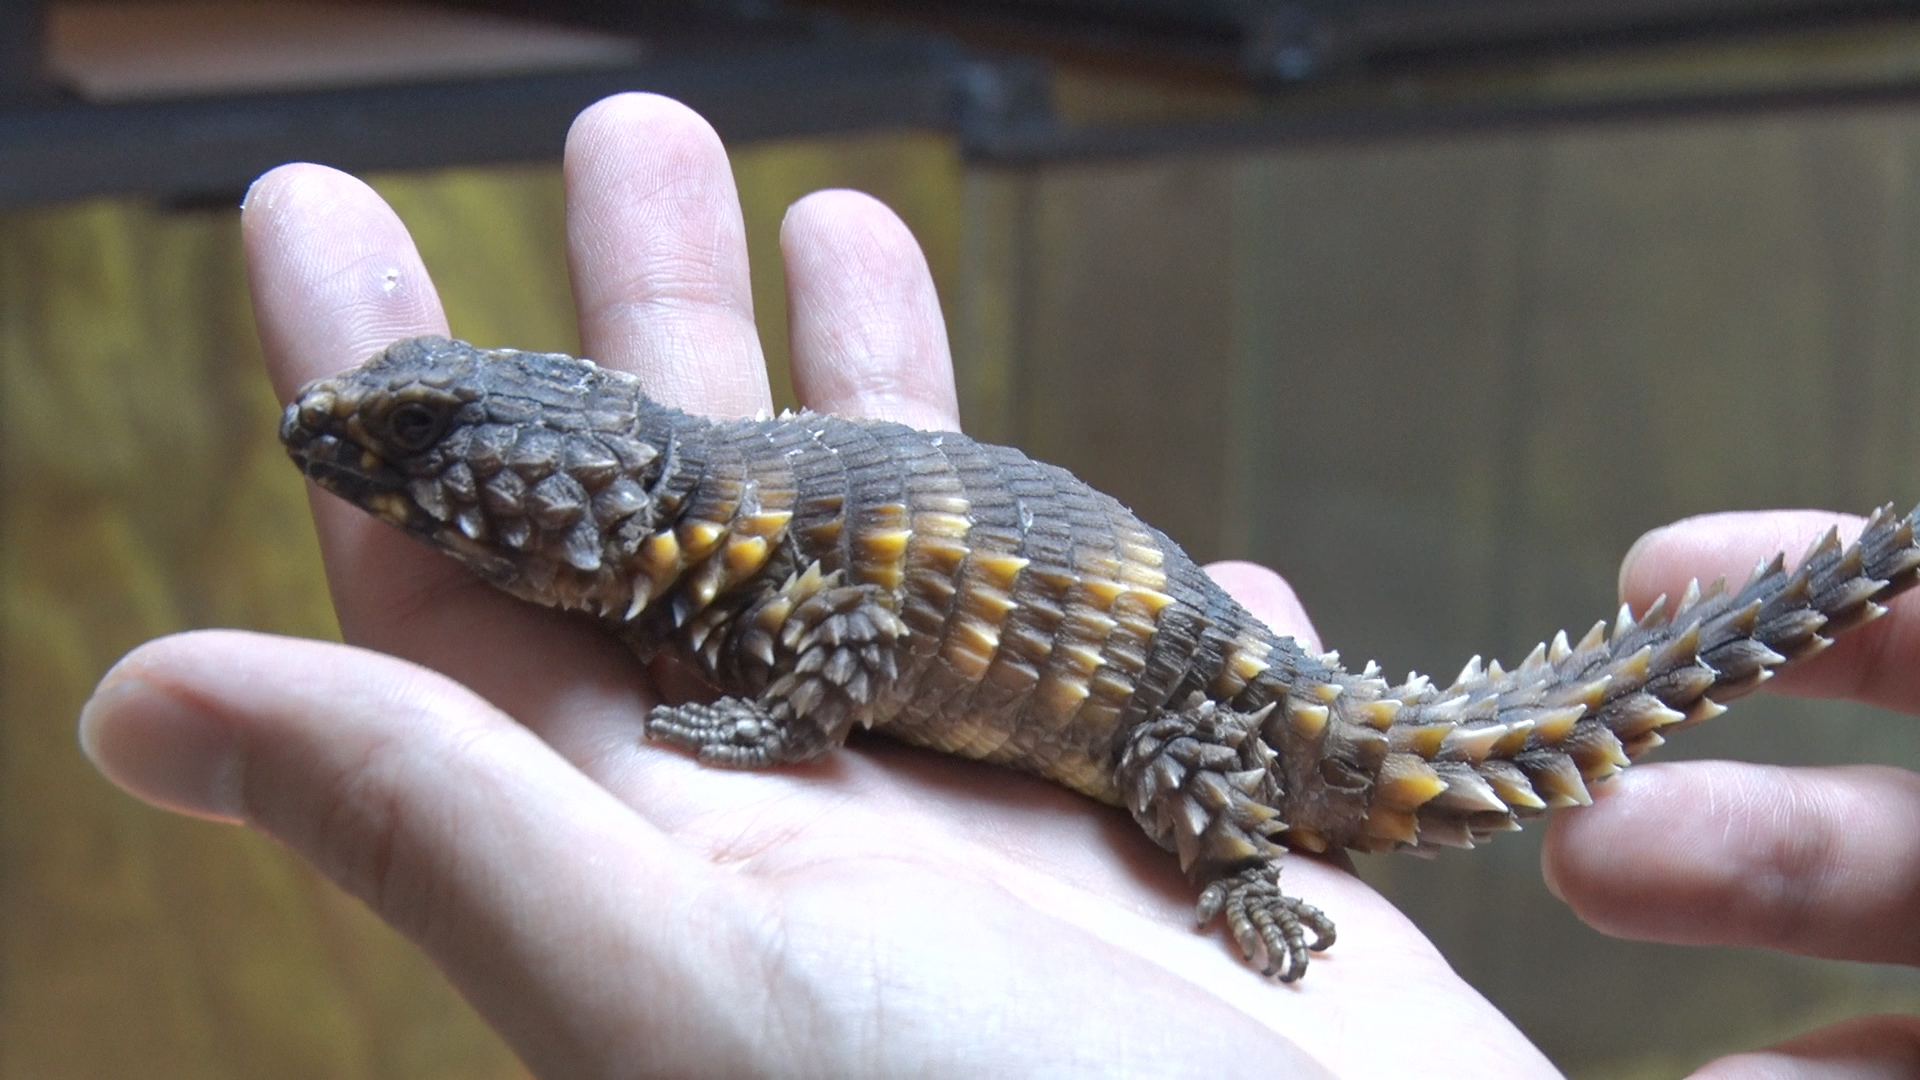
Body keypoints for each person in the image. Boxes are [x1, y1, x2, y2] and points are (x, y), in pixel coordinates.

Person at [77, 93, 1918, 1077]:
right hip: (1156, 643)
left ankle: (1246, 859)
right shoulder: (700, 538)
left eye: (419, 460)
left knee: (1200, 782)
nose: (368, 458)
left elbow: (859, 640)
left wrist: (1239, 877)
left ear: (555, 494)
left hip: (1213, 721)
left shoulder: (732, 566)